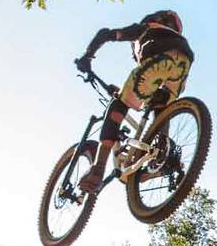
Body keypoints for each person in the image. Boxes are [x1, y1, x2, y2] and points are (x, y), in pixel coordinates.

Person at [71, 10, 195, 193]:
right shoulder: (176, 38)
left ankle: (97, 168)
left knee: (119, 104)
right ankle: (161, 153)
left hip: (158, 61)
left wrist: (87, 56)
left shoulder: (146, 29)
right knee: (161, 106)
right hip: (184, 63)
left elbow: (105, 33)